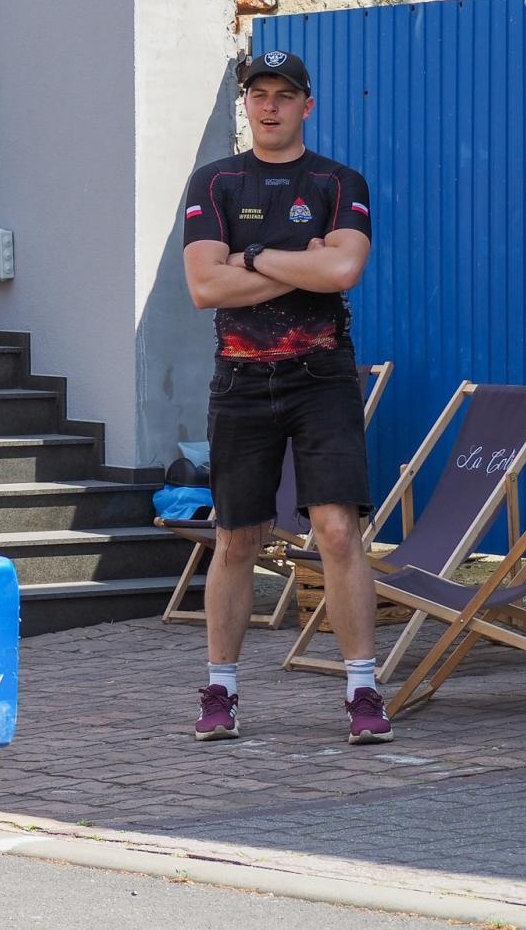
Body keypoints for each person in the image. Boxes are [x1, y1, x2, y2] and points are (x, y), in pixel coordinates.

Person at [181, 49, 388, 746]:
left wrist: (251, 256)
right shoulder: (214, 182)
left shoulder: (337, 181)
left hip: (322, 374)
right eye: (259, 94)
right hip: (240, 379)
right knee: (238, 537)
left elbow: (345, 269)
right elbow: (205, 288)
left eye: (284, 95)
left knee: (337, 530)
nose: (270, 105)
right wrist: (302, 263)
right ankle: (220, 691)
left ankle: (362, 689)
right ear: (246, 103)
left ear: (308, 105)